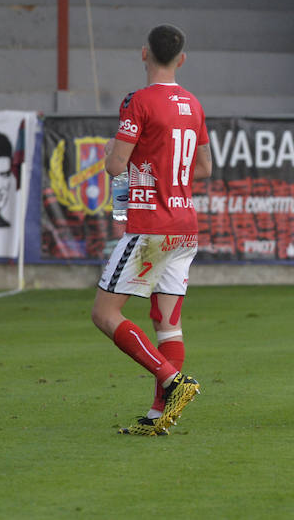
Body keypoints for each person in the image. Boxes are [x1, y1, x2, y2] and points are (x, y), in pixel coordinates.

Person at [89, 24, 210, 437]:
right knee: (168, 324)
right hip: (185, 227)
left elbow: (115, 165)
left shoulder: (139, 102)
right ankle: (160, 417)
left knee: (105, 313)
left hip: (151, 227)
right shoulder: (193, 104)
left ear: (144, 54)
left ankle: (173, 380)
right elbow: (206, 168)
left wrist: (113, 151)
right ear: (182, 58)